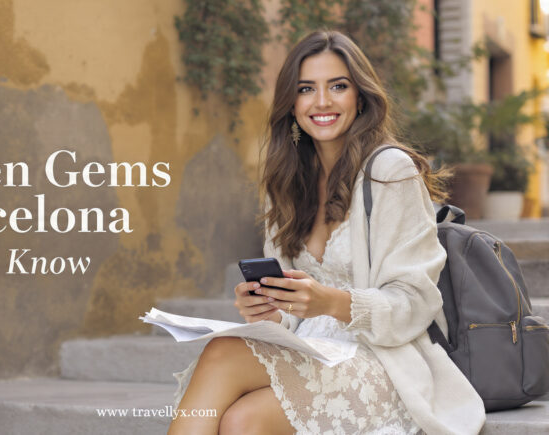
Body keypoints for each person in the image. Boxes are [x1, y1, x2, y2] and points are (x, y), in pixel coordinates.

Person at [167, 30, 486, 435]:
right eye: (306, 89)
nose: (322, 102)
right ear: (292, 104)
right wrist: (271, 309)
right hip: (309, 351)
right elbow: (291, 312)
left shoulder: (389, 172)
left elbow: (415, 303)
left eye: (338, 86)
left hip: (383, 359)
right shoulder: (285, 181)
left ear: (360, 97)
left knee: (238, 403)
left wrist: (330, 302)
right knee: (230, 379)